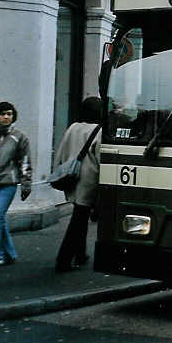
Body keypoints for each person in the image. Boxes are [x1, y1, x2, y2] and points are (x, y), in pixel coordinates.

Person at [53, 97, 102, 273]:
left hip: (71, 178)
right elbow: (100, 160)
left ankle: (80, 255)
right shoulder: (99, 131)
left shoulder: (73, 127)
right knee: (78, 221)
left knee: (79, 216)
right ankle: (63, 260)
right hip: (88, 181)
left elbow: (61, 152)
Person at [0, 101, 32, 274]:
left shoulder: (19, 137)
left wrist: (26, 184)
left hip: (7, 184)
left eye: (9, 114)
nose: (6, 117)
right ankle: (9, 253)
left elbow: (25, 162)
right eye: (3, 114)